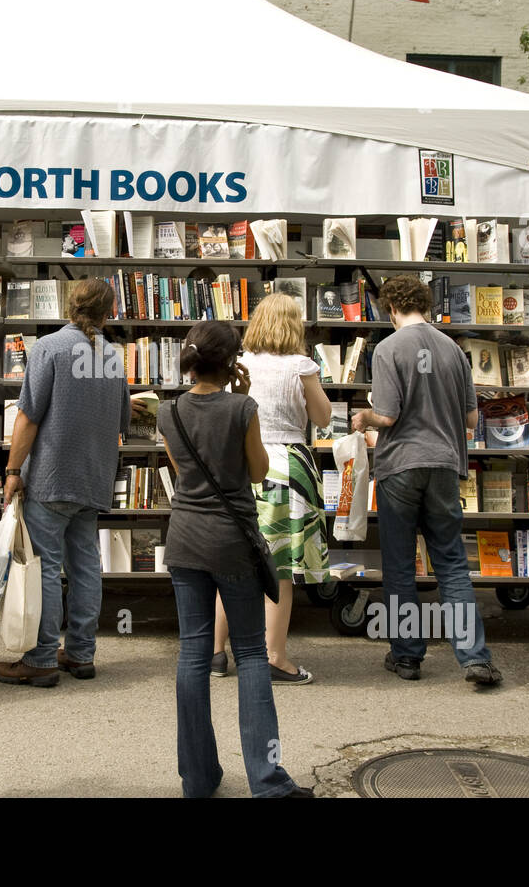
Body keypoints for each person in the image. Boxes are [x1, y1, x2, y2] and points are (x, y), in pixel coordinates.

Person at [157, 321, 312, 797]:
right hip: (232, 543)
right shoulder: (242, 407)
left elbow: (183, 471)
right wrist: (243, 402)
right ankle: (267, 782)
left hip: (184, 541)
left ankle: (198, 780)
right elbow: (259, 470)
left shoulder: (168, 412)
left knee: (193, 654)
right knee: (249, 654)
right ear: (231, 362)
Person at [351, 274, 501, 686]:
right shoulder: (453, 349)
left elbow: (388, 416)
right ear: (425, 305)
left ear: (391, 309)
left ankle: (406, 657)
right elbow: (471, 418)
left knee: (400, 563)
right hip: (445, 462)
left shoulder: (387, 349)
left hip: (400, 464)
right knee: (452, 562)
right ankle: (475, 659)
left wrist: (365, 418)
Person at [0, 279, 133, 687]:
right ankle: (81, 654)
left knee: (46, 568)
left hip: (52, 477)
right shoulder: (112, 356)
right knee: (86, 565)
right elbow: (122, 420)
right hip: (94, 477)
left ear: (71, 306)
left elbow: (29, 415)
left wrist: (13, 471)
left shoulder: (49, 348)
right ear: (108, 313)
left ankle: (40, 660)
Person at [213, 293, 331, 685]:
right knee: (280, 567)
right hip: (289, 468)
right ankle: (274, 655)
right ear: (294, 325)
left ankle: (215, 653)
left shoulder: (239, 365)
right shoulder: (301, 366)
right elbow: (324, 417)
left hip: (243, 466)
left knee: (235, 563)